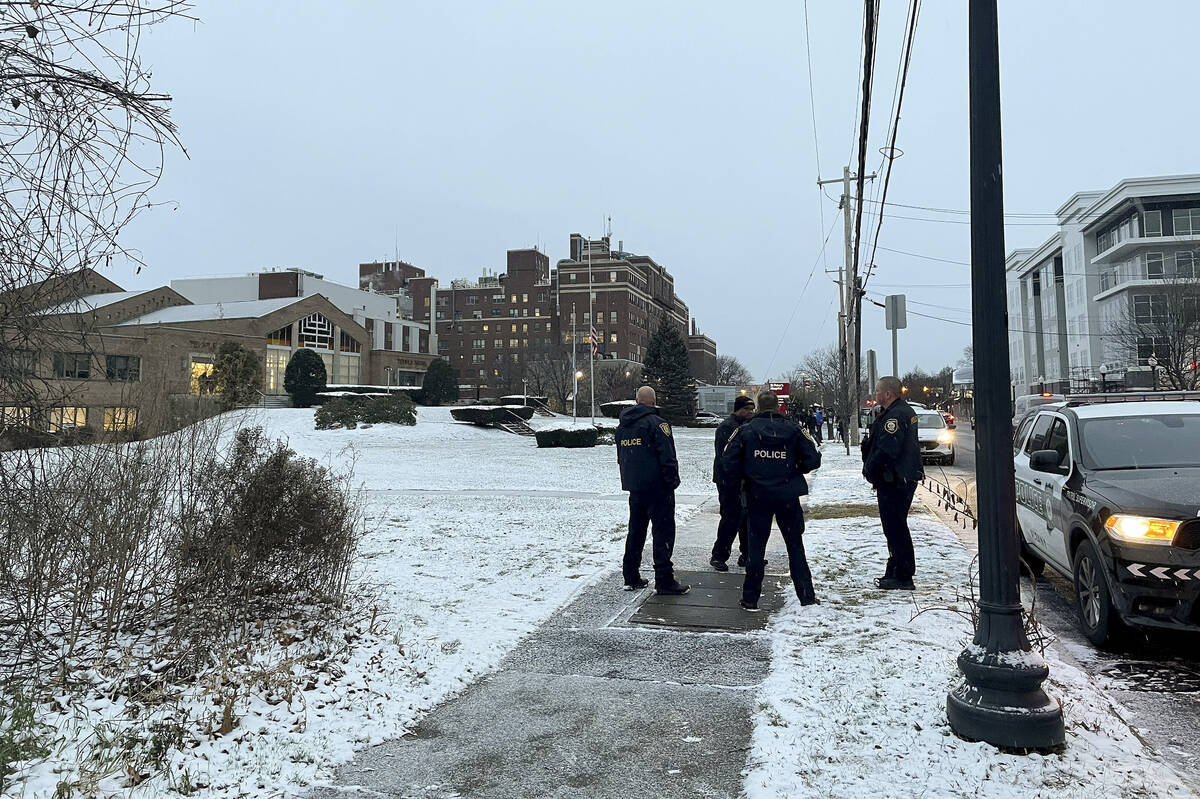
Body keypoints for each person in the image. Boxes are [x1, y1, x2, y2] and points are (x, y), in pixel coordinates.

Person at [720, 390, 822, 611]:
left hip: (758, 496)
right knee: (795, 546)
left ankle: (751, 598)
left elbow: (727, 462)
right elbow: (813, 459)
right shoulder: (794, 429)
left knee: (756, 548)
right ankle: (806, 595)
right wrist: (794, 469)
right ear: (778, 407)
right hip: (787, 495)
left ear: (758, 407)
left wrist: (746, 476)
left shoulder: (746, 430)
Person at [616, 385, 690, 595]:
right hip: (658, 488)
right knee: (663, 533)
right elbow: (667, 456)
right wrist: (672, 481)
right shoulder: (657, 424)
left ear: (637, 400)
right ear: (653, 402)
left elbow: (622, 457)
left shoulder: (623, 426)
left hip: (635, 487)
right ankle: (664, 579)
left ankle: (630, 575)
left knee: (636, 532)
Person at [861, 376, 924, 590]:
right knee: (894, 526)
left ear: (888, 394)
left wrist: (870, 468)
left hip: (896, 479)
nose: (875, 395)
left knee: (895, 527)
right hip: (898, 478)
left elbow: (887, 449)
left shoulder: (896, 416)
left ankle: (903, 574)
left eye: (878, 391)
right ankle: (896, 567)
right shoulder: (898, 411)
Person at [709, 395, 755, 571]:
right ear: (737, 410)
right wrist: (735, 478)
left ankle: (747, 554)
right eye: (746, 410)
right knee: (731, 518)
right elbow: (725, 457)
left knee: (746, 518)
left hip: (744, 480)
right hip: (729, 480)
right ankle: (719, 555)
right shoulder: (728, 427)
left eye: (752, 409)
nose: (750, 413)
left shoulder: (747, 427)